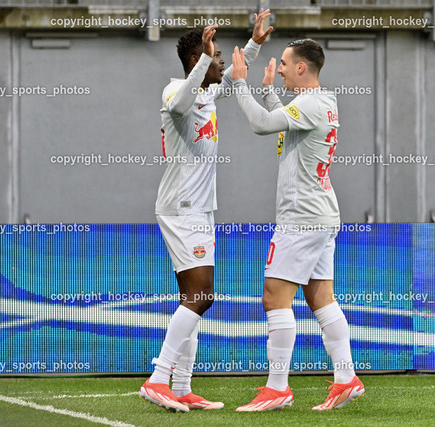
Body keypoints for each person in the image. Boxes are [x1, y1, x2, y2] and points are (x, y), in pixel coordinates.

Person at [139, 11, 274, 412]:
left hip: (199, 210)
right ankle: (158, 379)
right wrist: (203, 59)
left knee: (192, 298)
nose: (221, 63)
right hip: (182, 209)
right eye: (215, 57)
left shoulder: (208, 92)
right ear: (197, 60)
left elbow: (232, 76)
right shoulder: (175, 91)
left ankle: (181, 387)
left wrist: (255, 44)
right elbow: (181, 103)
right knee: (201, 296)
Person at [230, 39, 364, 412]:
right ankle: (346, 378)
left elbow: (262, 125)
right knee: (320, 297)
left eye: (286, 64)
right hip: (321, 214)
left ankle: (277, 388)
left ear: (302, 67)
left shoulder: (309, 104)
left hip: (301, 218)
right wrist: (268, 92)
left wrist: (240, 83)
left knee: (274, 297)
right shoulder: (322, 101)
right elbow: (285, 121)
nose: (282, 70)